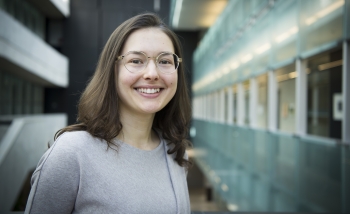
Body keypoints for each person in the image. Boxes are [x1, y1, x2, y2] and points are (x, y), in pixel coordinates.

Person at [25, 13, 192, 214]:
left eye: (164, 61)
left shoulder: (175, 152)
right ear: (112, 71)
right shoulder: (72, 154)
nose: (152, 73)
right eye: (136, 60)